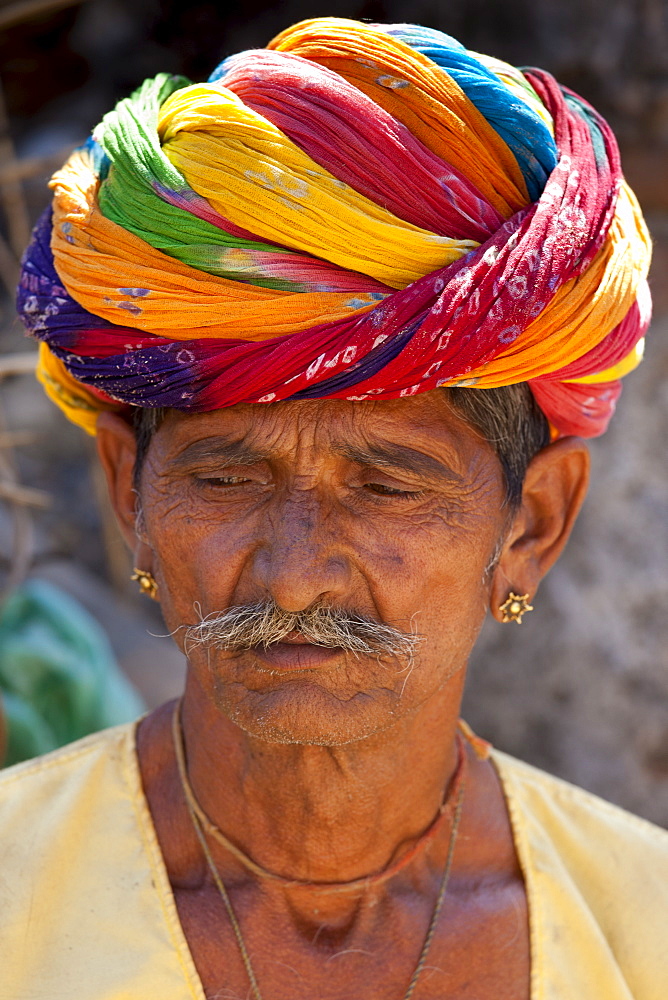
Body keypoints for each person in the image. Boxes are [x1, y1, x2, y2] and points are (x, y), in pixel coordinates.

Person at [4, 16, 667, 999]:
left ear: (530, 527)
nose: (294, 571)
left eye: (387, 486)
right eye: (225, 478)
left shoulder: (639, 923)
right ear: (126, 493)